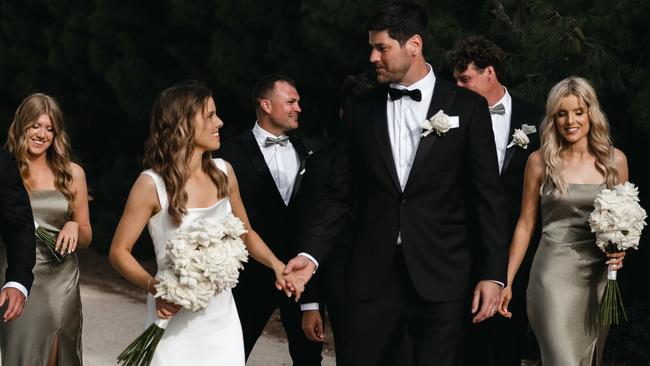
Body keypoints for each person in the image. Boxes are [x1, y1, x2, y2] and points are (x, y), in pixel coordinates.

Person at [284, 2, 509, 365]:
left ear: (414, 45)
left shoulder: (466, 107)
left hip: (443, 276)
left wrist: (493, 274)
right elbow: (339, 195)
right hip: (372, 275)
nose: (373, 57)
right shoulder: (361, 108)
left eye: (382, 47)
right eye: (372, 47)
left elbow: (488, 198)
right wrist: (310, 257)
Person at [109, 81, 300, 365]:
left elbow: (246, 232)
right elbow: (119, 252)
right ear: (183, 124)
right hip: (172, 321)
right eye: (210, 115)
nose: (220, 122)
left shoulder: (224, 173)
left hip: (222, 322)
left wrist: (277, 266)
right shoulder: (151, 184)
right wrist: (156, 288)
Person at [498, 76, 627, 366]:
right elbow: (526, 224)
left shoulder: (615, 162)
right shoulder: (539, 161)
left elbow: (624, 220)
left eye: (578, 112)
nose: (571, 121)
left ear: (591, 113)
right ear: (553, 118)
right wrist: (505, 280)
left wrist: (621, 251)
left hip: (597, 278)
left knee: (588, 359)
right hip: (552, 275)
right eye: (561, 113)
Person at [448, 35, 543, 366]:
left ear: (490, 72)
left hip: (519, 243)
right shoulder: (448, 118)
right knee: (466, 333)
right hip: (465, 242)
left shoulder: (536, 119)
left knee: (508, 334)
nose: (458, 86)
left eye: (465, 78)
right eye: (456, 79)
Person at [216, 74, 324, 364]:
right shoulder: (228, 153)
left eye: (298, 102)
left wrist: (312, 296)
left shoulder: (312, 151)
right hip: (247, 276)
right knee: (231, 354)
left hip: (300, 277)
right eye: (291, 101)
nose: (298, 108)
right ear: (266, 104)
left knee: (309, 357)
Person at [1, 93, 92, 366]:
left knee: (57, 355)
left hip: (60, 280)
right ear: (22, 126)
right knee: (22, 353)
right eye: (35, 126)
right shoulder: (7, 169)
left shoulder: (72, 173)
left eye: (50, 128)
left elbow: (86, 237)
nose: (42, 134)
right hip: (17, 273)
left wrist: (74, 224)